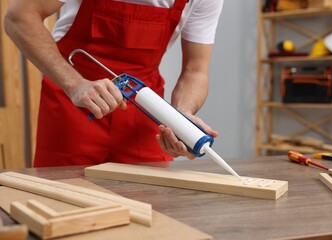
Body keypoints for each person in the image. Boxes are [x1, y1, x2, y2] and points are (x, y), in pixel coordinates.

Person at [4, 0, 223, 167]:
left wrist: (180, 119)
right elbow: (19, 17)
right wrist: (75, 85)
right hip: (75, 105)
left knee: (153, 208)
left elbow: (195, 70)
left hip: (144, 108)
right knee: (60, 207)